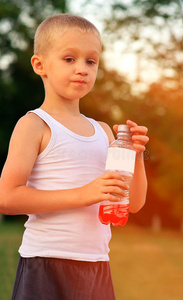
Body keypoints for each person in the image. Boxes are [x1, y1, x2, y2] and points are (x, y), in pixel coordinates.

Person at [0, 14, 149, 300]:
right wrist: (85, 193)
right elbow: (7, 197)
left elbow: (134, 205)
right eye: (69, 59)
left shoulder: (104, 132)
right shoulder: (34, 124)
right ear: (39, 65)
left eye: (90, 61)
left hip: (97, 265)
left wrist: (137, 157)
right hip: (46, 263)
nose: (82, 69)